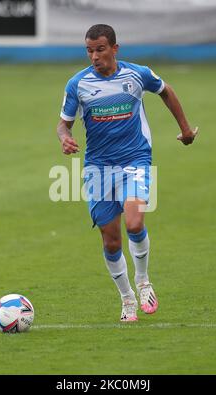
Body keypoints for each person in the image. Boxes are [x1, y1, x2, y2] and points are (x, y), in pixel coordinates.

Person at [57, 24, 198, 322]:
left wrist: (185, 129)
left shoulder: (137, 74)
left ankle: (144, 281)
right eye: (89, 50)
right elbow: (63, 123)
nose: (94, 56)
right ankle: (126, 298)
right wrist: (64, 138)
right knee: (111, 241)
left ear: (115, 49)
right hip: (98, 167)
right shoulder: (77, 84)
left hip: (135, 159)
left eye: (100, 49)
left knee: (134, 222)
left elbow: (166, 91)